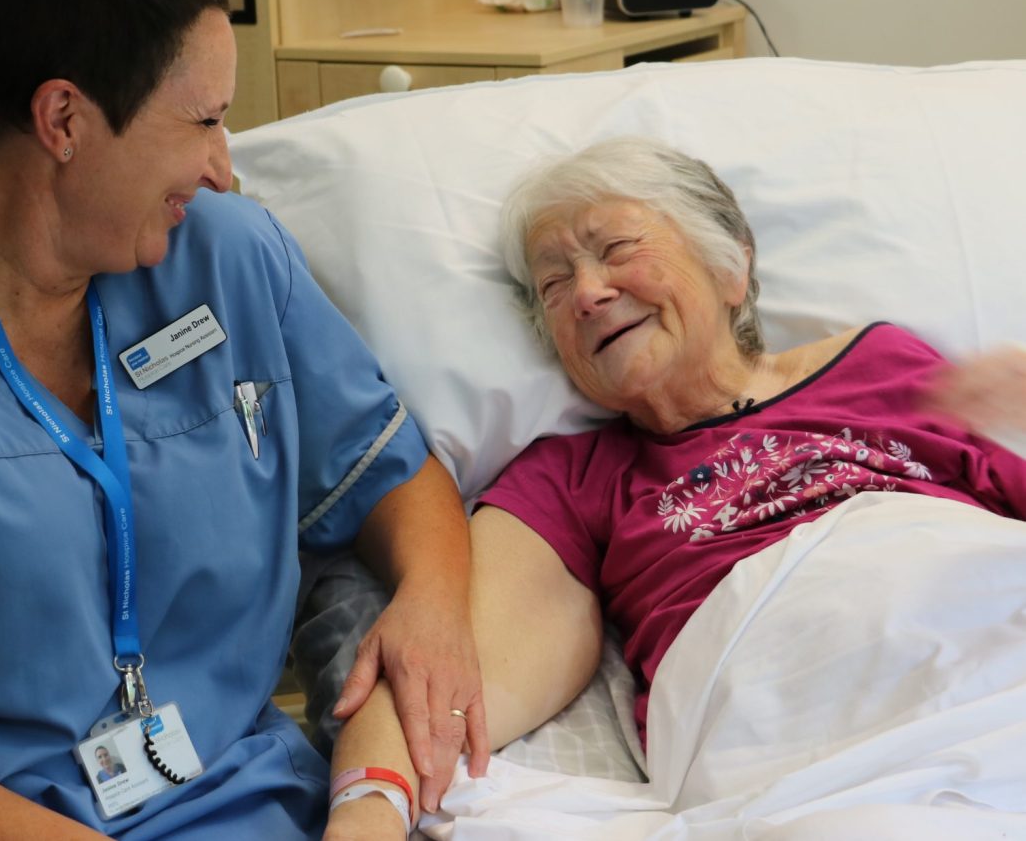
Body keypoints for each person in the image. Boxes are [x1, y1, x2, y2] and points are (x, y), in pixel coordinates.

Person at [0, 0, 485, 840]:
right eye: (203, 120)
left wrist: (434, 604)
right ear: (64, 119)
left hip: (242, 800)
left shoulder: (230, 260)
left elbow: (394, 481)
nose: (222, 169)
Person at [326, 135, 1026, 838]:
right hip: (804, 740)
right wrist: (366, 809)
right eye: (554, 285)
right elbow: (441, 674)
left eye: (618, 248)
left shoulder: (882, 363)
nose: (590, 293)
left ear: (730, 264)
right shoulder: (571, 478)